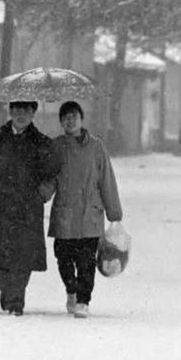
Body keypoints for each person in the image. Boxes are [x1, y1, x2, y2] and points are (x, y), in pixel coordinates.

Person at [0, 99, 56, 316]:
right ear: (10, 112)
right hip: (0, 207)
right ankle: (7, 293)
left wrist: (40, 195)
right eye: (16, 110)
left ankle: (16, 301)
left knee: (22, 257)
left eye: (26, 110)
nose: (21, 114)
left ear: (33, 113)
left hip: (28, 209)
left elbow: (52, 176)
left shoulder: (41, 142)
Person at [47, 100, 123, 319]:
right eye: (65, 118)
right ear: (61, 122)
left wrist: (114, 212)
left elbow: (106, 180)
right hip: (65, 213)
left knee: (87, 261)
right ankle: (71, 289)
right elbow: (50, 178)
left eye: (74, 117)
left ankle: (83, 300)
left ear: (81, 119)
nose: (70, 121)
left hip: (90, 213)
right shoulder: (57, 147)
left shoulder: (96, 147)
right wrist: (39, 195)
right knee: (63, 257)